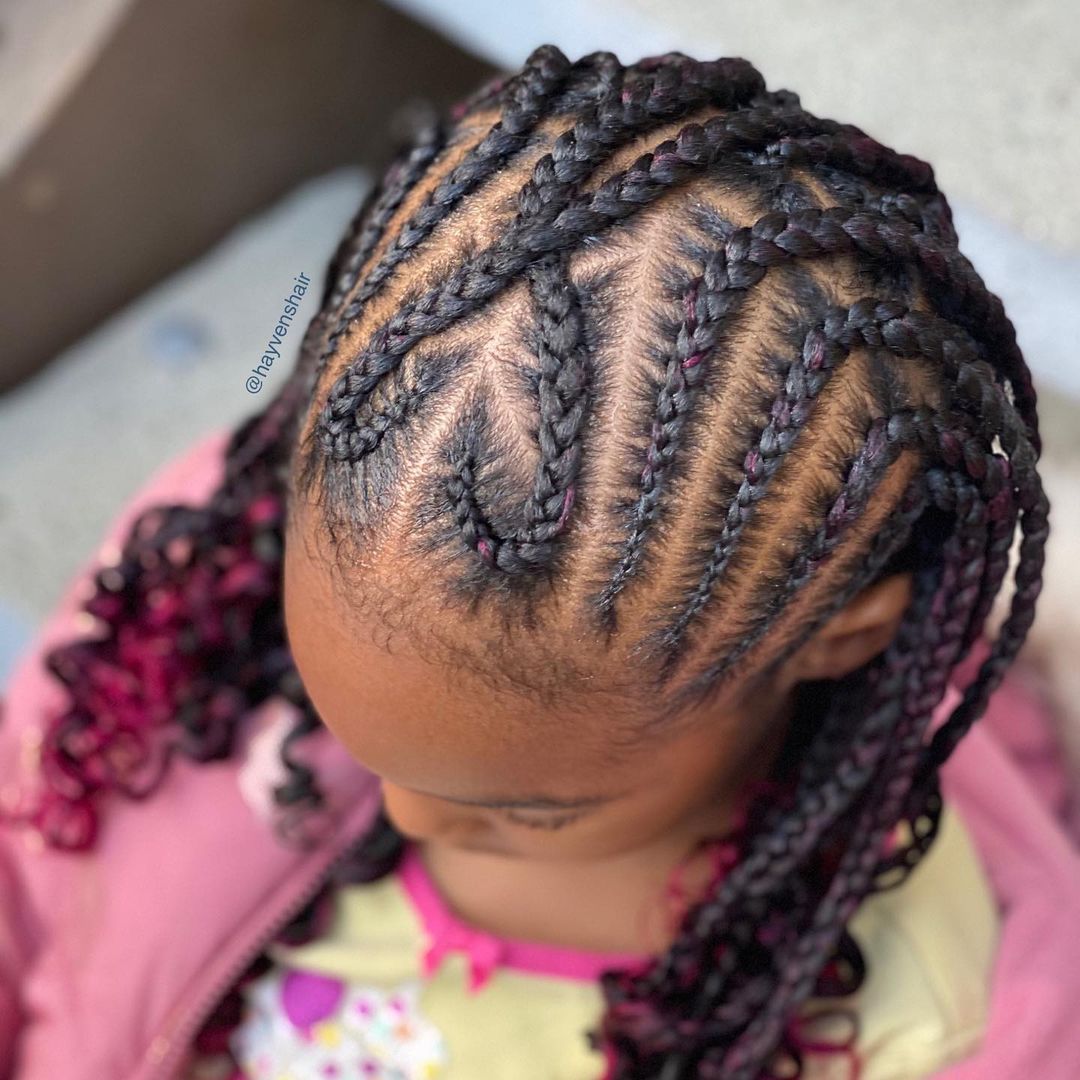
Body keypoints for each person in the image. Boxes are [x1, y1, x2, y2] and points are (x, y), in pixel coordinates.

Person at [1, 43, 1079, 1080]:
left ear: (836, 638)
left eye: (530, 810)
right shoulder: (210, 578)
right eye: (338, 723)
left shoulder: (944, 1021)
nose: (406, 815)